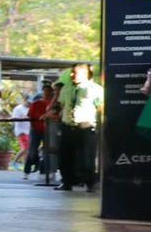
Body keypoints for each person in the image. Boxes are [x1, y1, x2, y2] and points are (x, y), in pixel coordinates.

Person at [57, 63, 104, 193]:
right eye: (72, 72)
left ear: (85, 74)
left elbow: (101, 107)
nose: (72, 75)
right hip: (68, 126)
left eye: (76, 73)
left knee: (87, 156)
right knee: (65, 156)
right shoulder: (66, 88)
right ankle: (67, 182)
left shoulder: (95, 89)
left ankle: (90, 183)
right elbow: (62, 105)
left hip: (85, 126)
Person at [27, 84, 55, 181]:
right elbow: (30, 116)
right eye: (45, 91)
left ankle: (44, 171)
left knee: (47, 152)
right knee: (32, 150)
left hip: (48, 131)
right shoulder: (36, 103)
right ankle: (28, 169)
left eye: (49, 92)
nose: (47, 93)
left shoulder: (53, 104)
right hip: (36, 130)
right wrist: (33, 127)